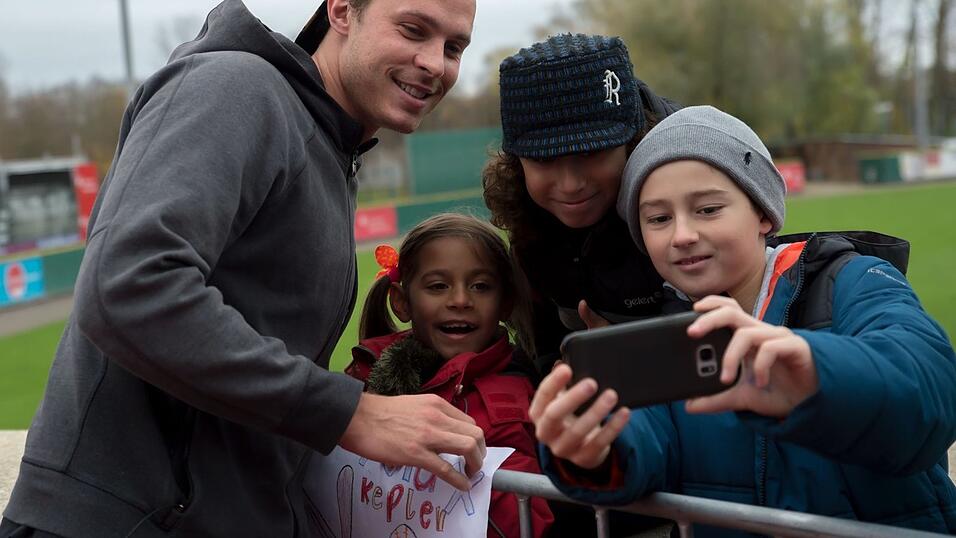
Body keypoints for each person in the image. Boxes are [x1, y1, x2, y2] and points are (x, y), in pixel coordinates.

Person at [1, 0, 482, 536]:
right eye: (414, 30)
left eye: (454, 47)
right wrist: (349, 413)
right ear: (343, 11)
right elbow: (128, 285)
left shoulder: (330, 143)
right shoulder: (237, 87)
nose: (435, 63)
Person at [531, 105, 956, 536]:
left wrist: (814, 374)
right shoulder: (661, 338)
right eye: (658, 219)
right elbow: (644, 445)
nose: (682, 235)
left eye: (708, 209)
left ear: (764, 214)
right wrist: (592, 446)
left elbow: (932, 392)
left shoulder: (852, 280)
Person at [334, 213, 553, 537]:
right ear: (401, 302)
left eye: (480, 286)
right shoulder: (363, 373)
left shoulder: (510, 403)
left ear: (505, 302)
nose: (461, 300)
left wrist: (468, 476)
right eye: (438, 286)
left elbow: (526, 521)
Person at [482, 33, 680, 373]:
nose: (571, 184)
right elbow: (546, 349)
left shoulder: (688, 202)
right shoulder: (530, 223)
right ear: (517, 163)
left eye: (592, 153)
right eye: (543, 160)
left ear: (634, 141)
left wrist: (627, 355)